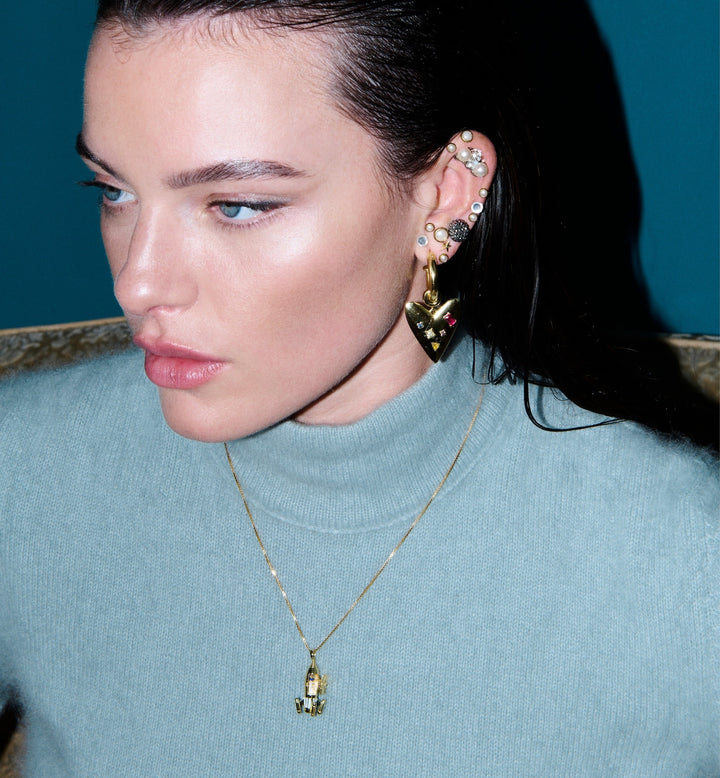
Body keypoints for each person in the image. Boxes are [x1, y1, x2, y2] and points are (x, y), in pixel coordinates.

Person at [0, 1, 717, 774]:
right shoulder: (24, 472)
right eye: (113, 190)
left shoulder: (682, 562)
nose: (138, 283)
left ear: (446, 194)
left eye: (237, 205)